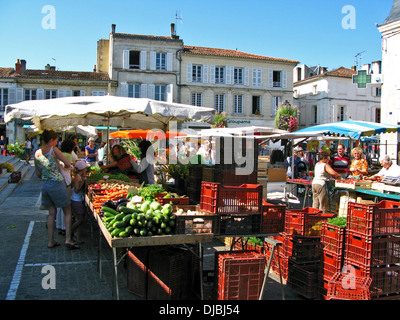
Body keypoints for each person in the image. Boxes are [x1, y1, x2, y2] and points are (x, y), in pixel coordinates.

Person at [34, 129, 79, 250]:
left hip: (45, 185)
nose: (57, 142)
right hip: (57, 183)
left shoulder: (37, 153)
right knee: (67, 211)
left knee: (51, 213)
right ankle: (68, 240)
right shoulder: (54, 150)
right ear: (52, 140)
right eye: (56, 140)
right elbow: (68, 164)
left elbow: (38, 173)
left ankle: (51, 241)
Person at [56, 139, 76, 236]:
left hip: (58, 182)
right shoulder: (68, 155)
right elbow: (70, 169)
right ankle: (65, 228)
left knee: (59, 207)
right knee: (66, 207)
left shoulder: (58, 154)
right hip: (65, 182)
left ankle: (59, 226)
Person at [71, 160, 88, 244]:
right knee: (80, 219)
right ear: (82, 169)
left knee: (83, 218)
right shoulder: (77, 177)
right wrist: (83, 181)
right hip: (76, 200)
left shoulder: (78, 176)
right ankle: (71, 231)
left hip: (78, 199)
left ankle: (77, 236)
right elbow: (77, 190)